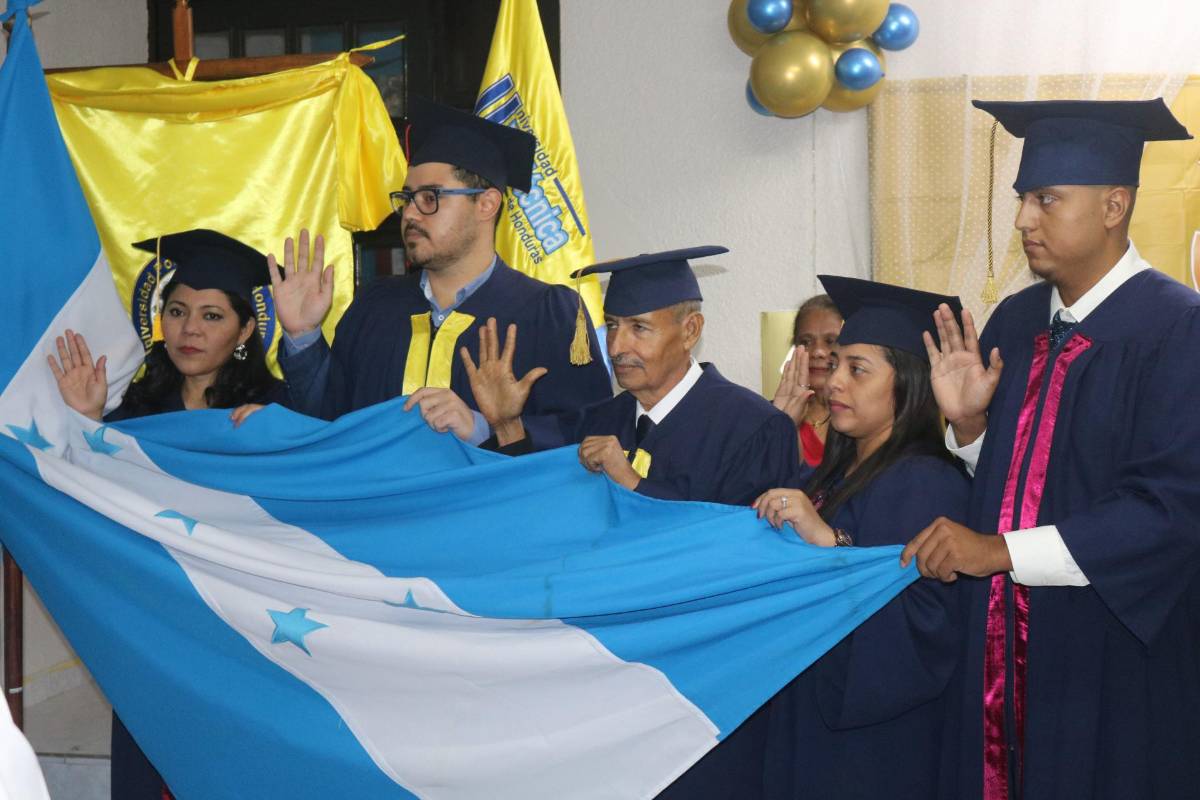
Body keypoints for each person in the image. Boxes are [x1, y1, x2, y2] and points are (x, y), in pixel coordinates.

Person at [900, 99, 1200, 799]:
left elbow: (1171, 510)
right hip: (1000, 644)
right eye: (1022, 199)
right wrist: (970, 429)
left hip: (1110, 652)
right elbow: (1019, 483)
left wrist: (999, 552)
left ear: (1114, 206)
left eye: (1045, 199)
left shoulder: (1178, 328)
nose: (1022, 220)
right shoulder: (1017, 320)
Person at [47, 228, 292, 800]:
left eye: (212, 316)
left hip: (242, 630)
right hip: (155, 627)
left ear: (245, 331)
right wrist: (88, 424)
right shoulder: (136, 415)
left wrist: (277, 441)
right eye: (177, 312)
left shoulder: (274, 411)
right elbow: (93, 514)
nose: (189, 330)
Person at [272, 97, 610, 443]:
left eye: (430, 198)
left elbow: (588, 435)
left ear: (486, 204)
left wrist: (486, 429)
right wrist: (303, 336)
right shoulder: (374, 307)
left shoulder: (545, 314)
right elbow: (328, 424)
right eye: (406, 199)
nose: (409, 214)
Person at [751, 276, 968, 799]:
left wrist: (832, 544)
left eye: (856, 368)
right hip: (809, 714)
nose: (833, 383)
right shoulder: (835, 473)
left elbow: (927, 625)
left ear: (907, 383)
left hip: (875, 746)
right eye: (835, 365)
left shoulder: (927, 481)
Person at [468, 246, 803, 506]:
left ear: (690, 331)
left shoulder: (754, 428)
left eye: (639, 328)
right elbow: (540, 504)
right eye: (612, 325)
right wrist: (507, 425)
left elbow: (742, 544)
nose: (616, 347)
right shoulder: (599, 421)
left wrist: (632, 482)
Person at [771, 294, 841, 467]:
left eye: (830, 341)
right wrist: (783, 427)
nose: (817, 352)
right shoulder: (773, 415)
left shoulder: (862, 421)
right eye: (806, 342)